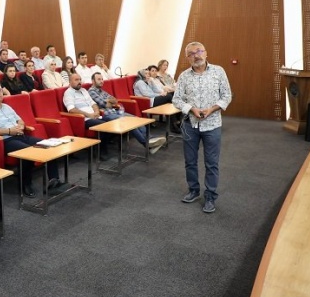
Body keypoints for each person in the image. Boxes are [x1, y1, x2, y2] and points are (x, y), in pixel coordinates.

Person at [173, 41, 232, 214]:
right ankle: (193, 191)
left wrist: (211, 109)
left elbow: (227, 95)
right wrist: (192, 109)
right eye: (191, 53)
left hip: (212, 124)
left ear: (206, 53)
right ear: (187, 58)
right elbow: (176, 100)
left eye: (199, 51)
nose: (196, 55)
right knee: (190, 162)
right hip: (190, 125)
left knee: (211, 163)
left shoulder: (218, 71)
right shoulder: (184, 76)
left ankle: (210, 197)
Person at [0, 81, 62, 197]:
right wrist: (8, 131)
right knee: (28, 152)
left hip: (21, 135)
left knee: (48, 145)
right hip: (6, 140)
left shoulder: (7, 107)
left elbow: (20, 120)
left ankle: (54, 180)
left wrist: (21, 126)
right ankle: (26, 184)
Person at [88, 72, 163, 153]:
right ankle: (146, 143)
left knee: (137, 119)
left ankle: (150, 138)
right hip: (106, 115)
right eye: (99, 79)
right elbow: (104, 104)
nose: (102, 81)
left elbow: (115, 100)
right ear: (93, 81)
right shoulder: (91, 92)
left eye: (102, 79)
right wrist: (109, 102)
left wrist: (110, 101)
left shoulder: (101, 91)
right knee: (129, 123)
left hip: (115, 111)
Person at [63, 73, 109, 159]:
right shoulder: (68, 93)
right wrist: (89, 115)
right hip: (84, 119)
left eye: (80, 79)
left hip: (94, 116)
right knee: (104, 126)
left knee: (110, 123)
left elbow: (93, 103)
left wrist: (96, 111)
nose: (79, 82)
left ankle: (100, 148)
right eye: (76, 80)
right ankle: (100, 152)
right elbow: (71, 110)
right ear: (70, 82)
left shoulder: (84, 90)